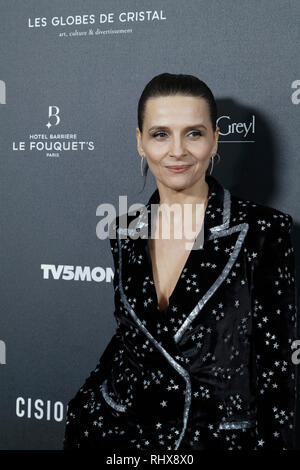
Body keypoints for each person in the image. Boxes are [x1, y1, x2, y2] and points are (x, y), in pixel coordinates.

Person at [63, 73, 297, 451]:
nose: (177, 151)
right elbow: (130, 341)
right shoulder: (124, 230)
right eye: (160, 134)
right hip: (122, 439)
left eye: (193, 133)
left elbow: (277, 374)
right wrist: (84, 413)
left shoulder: (264, 231)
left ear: (215, 139)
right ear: (139, 142)